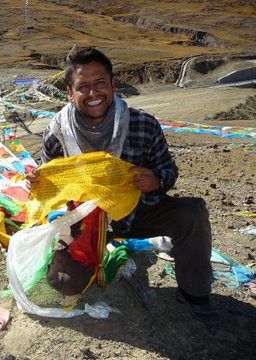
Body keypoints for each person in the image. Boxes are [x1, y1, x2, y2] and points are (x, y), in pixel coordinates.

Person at [35, 47, 220, 325]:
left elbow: (168, 170)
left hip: (140, 212)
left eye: (100, 83)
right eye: (83, 86)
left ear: (113, 84)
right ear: (70, 94)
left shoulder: (143, 124)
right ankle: (81, 255)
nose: (93, 93)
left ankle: (196, 294)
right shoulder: (57, 134)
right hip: (86, 221)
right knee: (64, 282)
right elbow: (50, 181)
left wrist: (156, 180)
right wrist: (38, 182)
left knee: (192, 213)